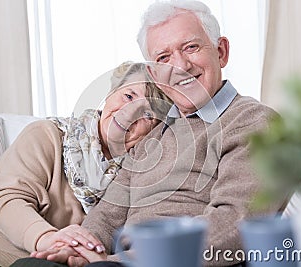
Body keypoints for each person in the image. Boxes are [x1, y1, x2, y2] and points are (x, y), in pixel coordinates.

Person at [15, 1, 282, 266]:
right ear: (155, 74)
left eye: (190, 47)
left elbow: (235, 223)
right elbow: (107, 215)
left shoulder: (253, 121)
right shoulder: (156, 135)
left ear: (221, 51)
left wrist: (117, 260)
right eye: (163, 58)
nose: (180, 66)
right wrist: (76, 249)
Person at [0, 62, 172, 267]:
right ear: (111, 93)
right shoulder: (48, 135)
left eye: (147, 113)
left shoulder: (139, 175)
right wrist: (47, 238)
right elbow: (6, 200)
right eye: (129, 96)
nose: (129, 114)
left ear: (155, 130)